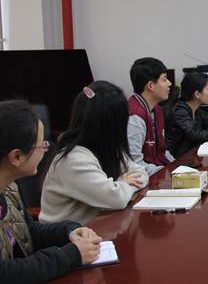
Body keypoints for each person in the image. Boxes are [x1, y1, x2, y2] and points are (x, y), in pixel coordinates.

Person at [0, 100, 102, 284]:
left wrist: (69, 231)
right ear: (16, 157)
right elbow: (3, 275)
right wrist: (69, 256)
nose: (46, 149)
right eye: (42, 145)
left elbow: (28, 232)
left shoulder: (10, 186)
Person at [40, 81, 148, 225]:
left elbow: (141, 173)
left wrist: (120, 185)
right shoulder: (73, 159)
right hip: (67, 236)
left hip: (98, 228)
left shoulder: (106, 148)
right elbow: (116, 199)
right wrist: (122, 183)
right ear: (111, 124)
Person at [127, 57, 174, 176]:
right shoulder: (134, 117)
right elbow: (134, 164)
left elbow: (162, 151)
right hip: (145, 179)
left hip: (158, 173)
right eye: (164, 79)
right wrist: (168, 172)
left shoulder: (157, 110)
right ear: (151, 85)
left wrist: (176, 166)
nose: (169, 83)